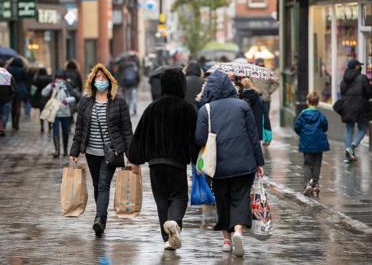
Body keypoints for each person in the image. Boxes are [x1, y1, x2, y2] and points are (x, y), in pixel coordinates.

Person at [195, 70, 265, 257]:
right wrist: (260, 163)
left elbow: (199, 138)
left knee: (222, 200)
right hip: (244, 163)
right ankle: (239, 231)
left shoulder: (205, 110)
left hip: (217, 166)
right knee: (241, 198)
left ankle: (226, 240)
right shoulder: (242, 105)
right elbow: (253, 137)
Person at [128, 69, 198, 251]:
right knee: (179, 196)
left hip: (155, 164)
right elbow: (195, 139)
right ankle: (174, 222)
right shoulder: (187, 109)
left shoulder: (153, 108)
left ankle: (167, 237)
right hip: (176, 162)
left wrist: (135, 159)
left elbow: (139, 136)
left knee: (161, 199)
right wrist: (196, 159)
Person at [69, 64, 133, 237]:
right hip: (91, 152)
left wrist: (131, 153)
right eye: (98, 78)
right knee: (97, 185)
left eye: (104, 78)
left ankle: (99, 218)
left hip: (111, 153)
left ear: (110, 80)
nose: (101, 81)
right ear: (92, 80)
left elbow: (126, 129)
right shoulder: (86, 101)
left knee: (104, 184)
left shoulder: (118, 101)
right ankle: (101, 218)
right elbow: (80, 128)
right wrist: (74, 151)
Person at [294, 92, 329, 197]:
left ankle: (308, 182)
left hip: (307, 143)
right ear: (317, 103)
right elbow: (325, 127)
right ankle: (315, 183)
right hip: (319, 144)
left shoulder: (302, 114)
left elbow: (297, 127)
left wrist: (303, 134)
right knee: (317, 164)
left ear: (307, 102)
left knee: (308, 163)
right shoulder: (320, 115)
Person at [339, 59, 372, 162]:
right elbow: (369, 93)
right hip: (360, 107)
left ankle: (347, 155)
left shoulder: (344, 79)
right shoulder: (362, 78)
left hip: (347, 107)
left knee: (349, 129)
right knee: (363, 128)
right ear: (357, 67)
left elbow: (342, 92)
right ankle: (352, 146)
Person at [42, 69, 76, 158]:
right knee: (55, 131)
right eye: (57, 78)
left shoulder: (67, 86)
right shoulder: (52, 85)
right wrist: (50, 87)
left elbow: (74, 97)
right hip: (55, 112)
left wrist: (66, 101)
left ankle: (65, 150)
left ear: (64, 78)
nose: (59, 80)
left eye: (61, 78)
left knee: (65, 132)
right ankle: (57, 151)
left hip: (65, 113)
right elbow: (43, 93)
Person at [239, 78, 272, 145]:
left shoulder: (242, 97)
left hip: (245, 128)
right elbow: (265, 115)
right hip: (257, 128)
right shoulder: (258, 97)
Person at [7, 58, 28, 131]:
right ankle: (17, 123)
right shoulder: (22, 70)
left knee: (12, 105)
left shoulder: (8, 69)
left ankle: (13, 123)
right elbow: (26, 79)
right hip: (20, 88)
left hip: (10, 87)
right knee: (18, 106)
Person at [31, 68, 53, 133]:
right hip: (48, 98)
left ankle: (42, 127)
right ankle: (49, 127)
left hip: (39, 98)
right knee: (49, 112)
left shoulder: (36, 78)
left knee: (41, 112)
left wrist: (32, 96)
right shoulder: (50, 78)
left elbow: (33, 89)